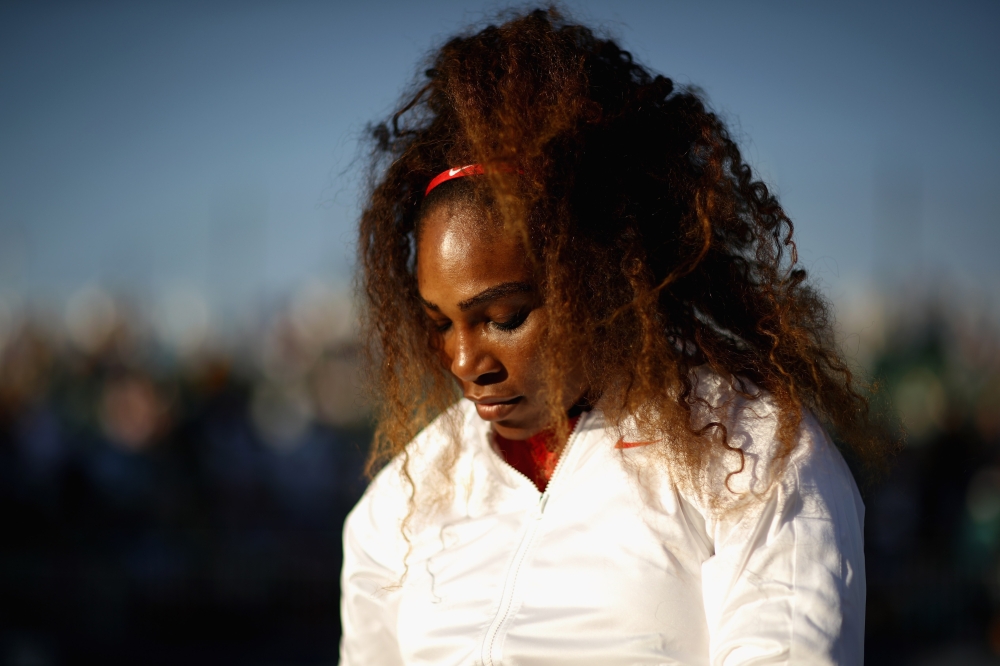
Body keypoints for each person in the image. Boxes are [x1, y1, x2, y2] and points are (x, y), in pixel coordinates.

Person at [340, 8, 895, 665]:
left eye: (506, 316)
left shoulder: (757, 459)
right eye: (440, 322)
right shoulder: (399, 505)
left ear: (602, 275)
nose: (465, 361)